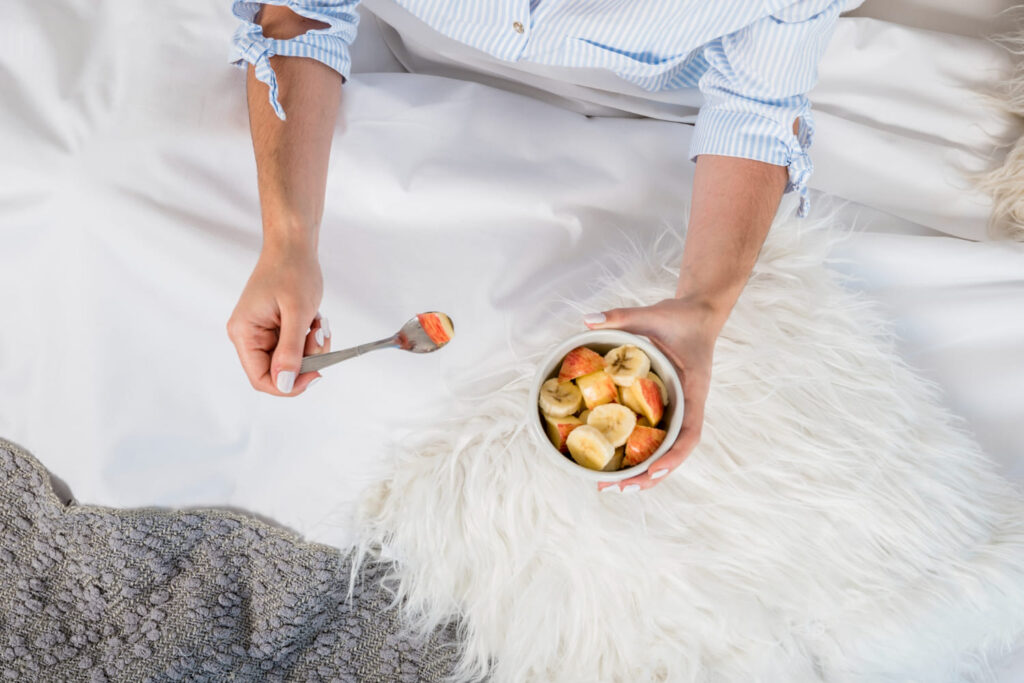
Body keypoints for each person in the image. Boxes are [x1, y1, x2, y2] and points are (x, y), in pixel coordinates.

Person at [225, 0, 861, 492]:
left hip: (644, 114)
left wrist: (704, 303)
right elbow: (301, 10)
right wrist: (288, 239)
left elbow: (755, 109)